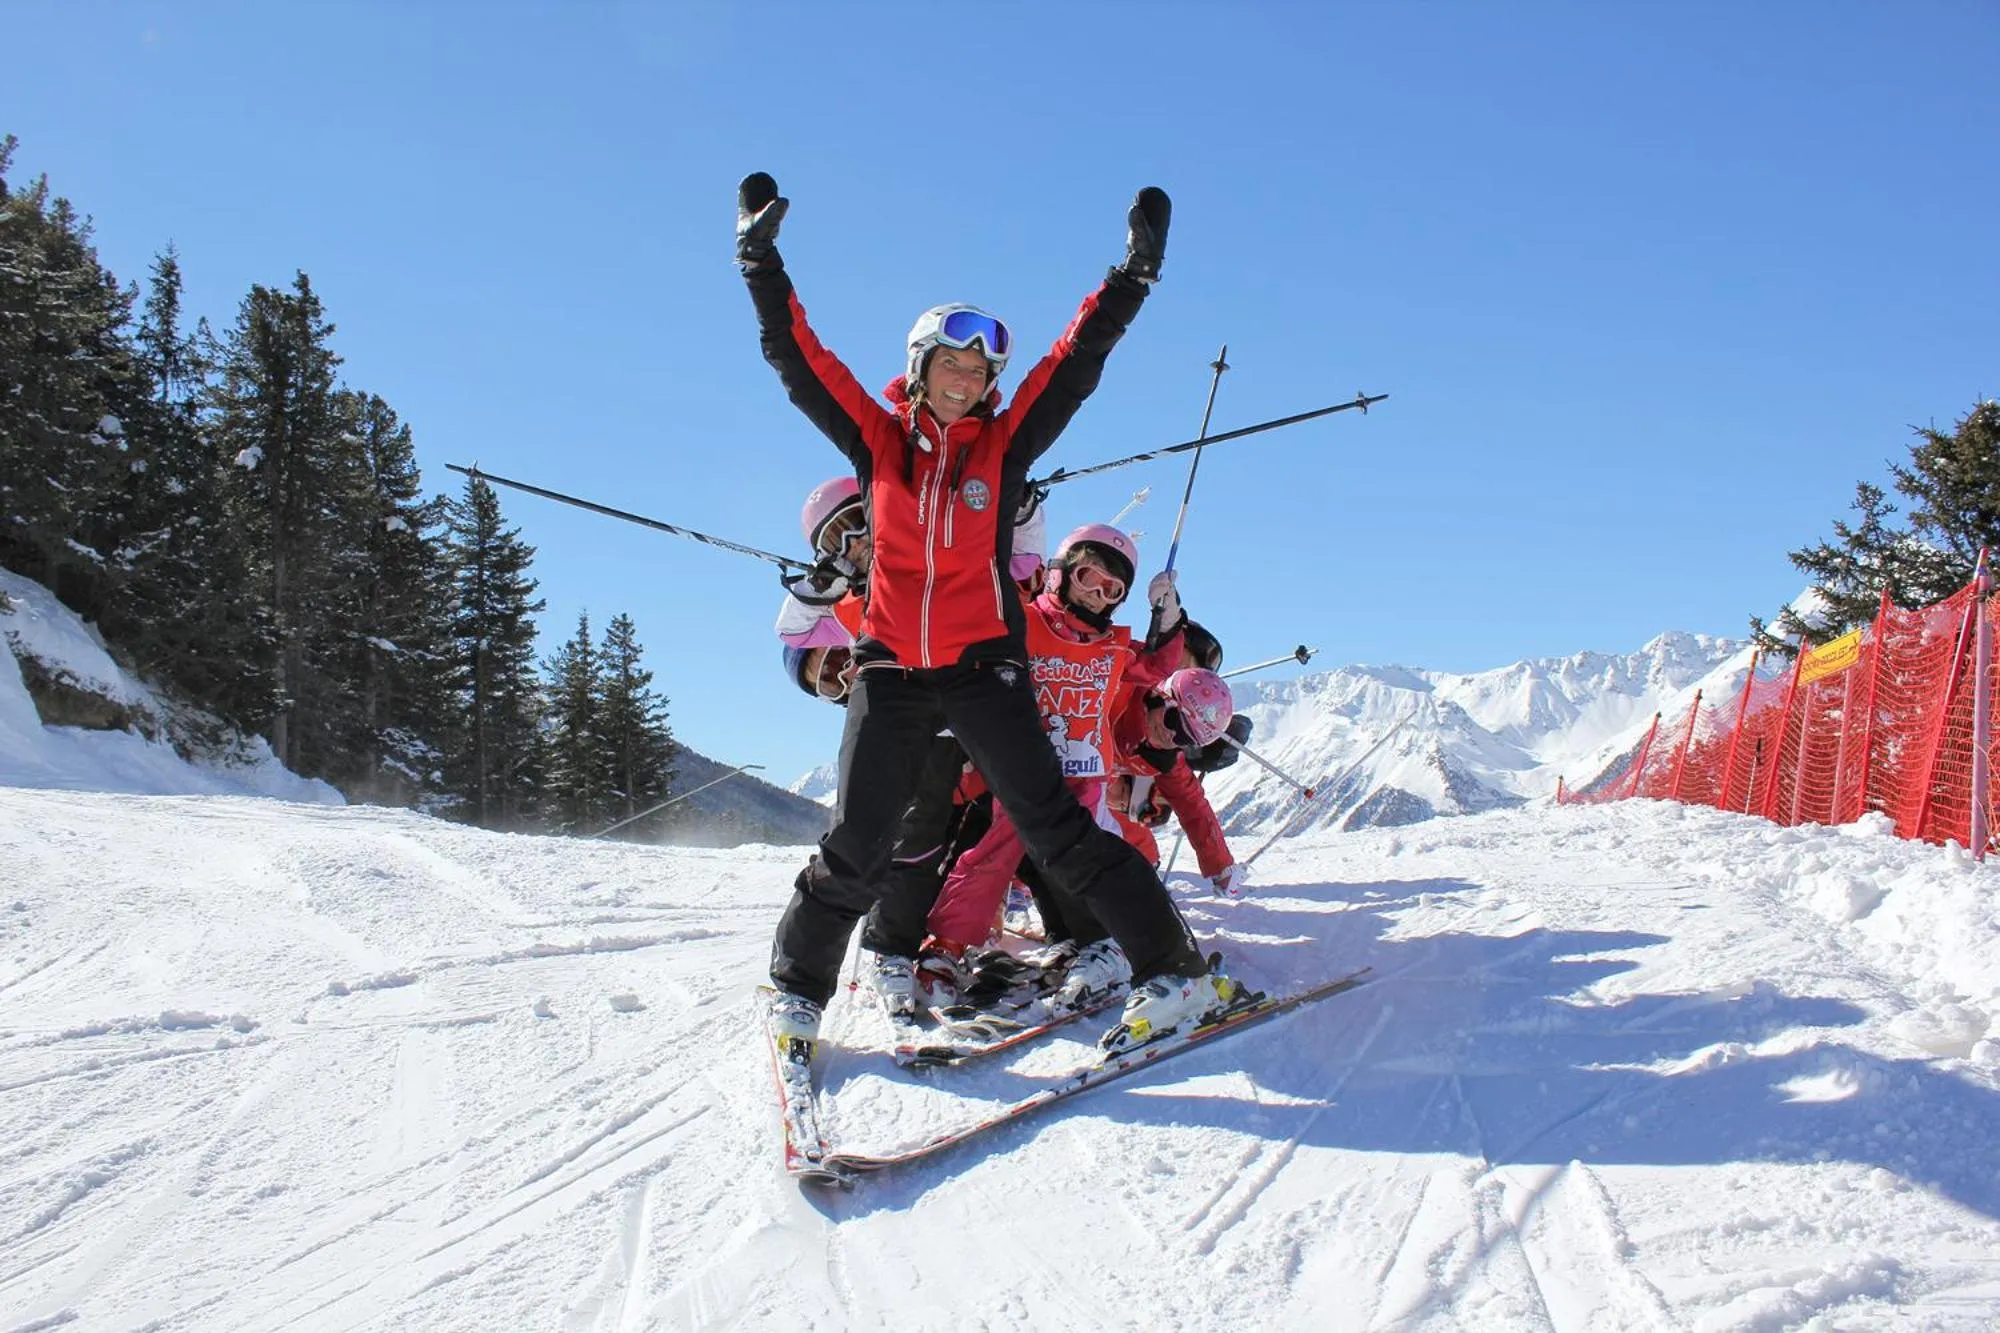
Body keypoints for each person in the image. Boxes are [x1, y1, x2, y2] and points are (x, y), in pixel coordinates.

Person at [736, 170, 1233, 1057]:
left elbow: (1074, 364)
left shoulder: (1003, 449)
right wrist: (759, 262)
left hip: (983, 671)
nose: (966, 379)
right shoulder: (877, 440)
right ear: (920, 368)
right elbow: (797, 357)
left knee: (1055, 827)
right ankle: (798, 993)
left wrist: (1130, 279)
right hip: (891, 670)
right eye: (951, 364)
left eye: (979, 369)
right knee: (859, 842)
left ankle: (1174, 971)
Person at [920, 523, 1188, 1009]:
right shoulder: (1024, 624)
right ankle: (946, 944)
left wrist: (1168, 621)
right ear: (1060, 574)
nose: (1098, 595)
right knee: (995, 852)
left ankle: (1103, 942)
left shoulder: (1112, 645)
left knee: (1087, 859)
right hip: (1026, 770)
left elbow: (1155, 668)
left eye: (1112, 590)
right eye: (1089, 578)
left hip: (1085, 777)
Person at [1109, 667, 1248, 899]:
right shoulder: (1115, 694)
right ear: (1161, 695)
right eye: (1173, 721)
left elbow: (1193, 806)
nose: (1171, 736)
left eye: (1185, 738)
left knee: (1115, 801)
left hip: (1087, 796)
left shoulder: (1162, 757)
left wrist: (1221, 867)